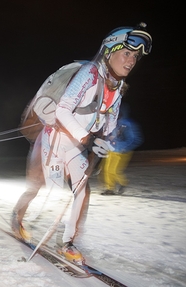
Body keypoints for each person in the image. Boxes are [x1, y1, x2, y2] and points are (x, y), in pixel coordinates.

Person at [11, 23, 152, 264]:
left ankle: (67, 242)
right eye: (127, 53)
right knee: (36, 186)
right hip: (53, 140)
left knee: (82, 192)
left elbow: (109, 125)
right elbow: (63, 110)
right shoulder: (88, 73)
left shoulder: (117, 89)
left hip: (76, 146)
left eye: (135, 57)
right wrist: (89, 139)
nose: (131, 60)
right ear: (110, 51)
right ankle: (17, 217)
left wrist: (105, 143)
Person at [100, 104, 143, 195]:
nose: (115, 114)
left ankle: (117, 185)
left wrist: (125, 147)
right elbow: (110, 135)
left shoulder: (127, 124)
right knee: (106, 169)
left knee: (113, 170)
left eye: (117, 112)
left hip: (121, 151)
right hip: (112, 149)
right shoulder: (114, 123)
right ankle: (111, 187)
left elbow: (135, 138)